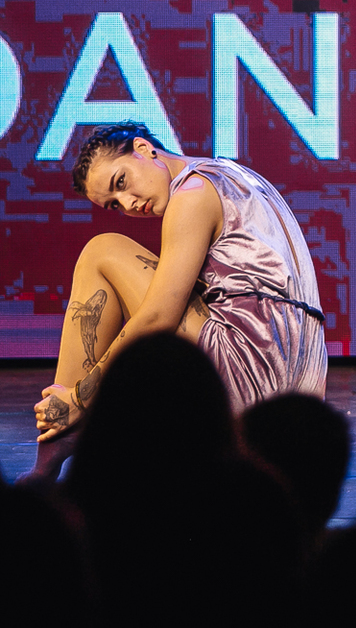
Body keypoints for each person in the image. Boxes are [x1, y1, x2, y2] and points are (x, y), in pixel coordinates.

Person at [29, 122, 328, 478]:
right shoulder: (234, 174)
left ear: (143, 148)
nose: (128, 204)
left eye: (121, 182)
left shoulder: (192, 194)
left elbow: (159, 317)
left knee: (100, 251)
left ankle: (61, 429)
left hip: (255, 374)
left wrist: (80, 397)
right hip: (305, 388)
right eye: (114, 205)